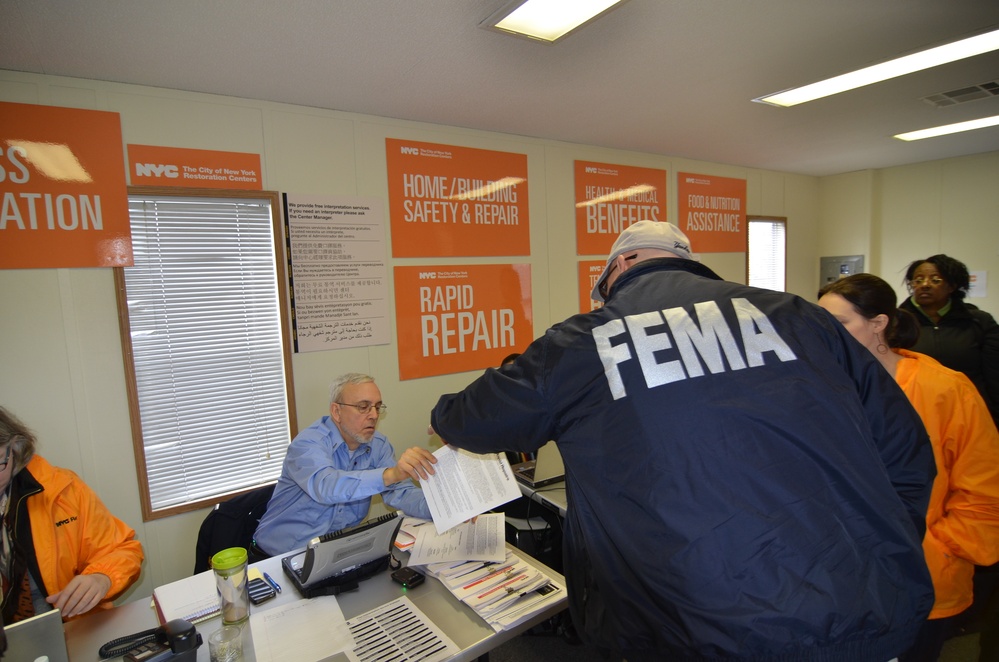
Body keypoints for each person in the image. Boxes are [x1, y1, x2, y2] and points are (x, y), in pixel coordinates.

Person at [418, 220, 936, 661]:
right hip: (862, 610)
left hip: (692, 625)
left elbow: (470, 419)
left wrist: (442, 416)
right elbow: (905, 450)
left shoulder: (584, 340)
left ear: (621, 265)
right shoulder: (800, 316)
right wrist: (879, 544)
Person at [818, 273, 999, 662]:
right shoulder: (819, 389)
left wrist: (941, 548)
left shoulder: (945, 389)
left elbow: (984, 487)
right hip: (843, 581)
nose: (827, 334)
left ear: (879, 323)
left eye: (840, 323)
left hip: (925, 572)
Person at [253, 373, 435, 555]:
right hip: (278, 556)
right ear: (336, 411)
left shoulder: (378, 445)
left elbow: (400, 492)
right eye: (363, 407)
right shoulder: (308, 443)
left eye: (378, 407)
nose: (374, 415)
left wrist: (442, 509)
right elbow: (326, 486)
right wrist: (391, 474)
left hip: (335, 552)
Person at [0, 407, 143, 622]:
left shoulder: (62, 489)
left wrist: (102, 577)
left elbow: (122, 550)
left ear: (15, 449)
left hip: (73, 629)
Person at [899, 254, 999, 423]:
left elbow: (994, 376)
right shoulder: (896, 323)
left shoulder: (979, 322)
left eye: (935, 280)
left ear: (952, 286)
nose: (924, 285)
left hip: (968, 413)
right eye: (918, 280)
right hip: (914, 413)